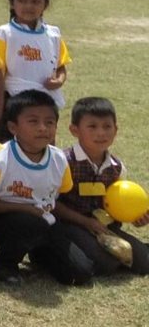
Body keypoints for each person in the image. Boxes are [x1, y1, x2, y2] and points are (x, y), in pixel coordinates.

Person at [0, 90, 92, 286]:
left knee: (79, 274)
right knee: (32, 224)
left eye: (49, 122)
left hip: (44, 220)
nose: (43, 128)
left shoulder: (59, 159)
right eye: (33, 121)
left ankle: (36, 253)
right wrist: (21, 208)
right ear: (13, 127)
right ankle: (4, 265)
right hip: (2, 222)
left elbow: (58, 198)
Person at [54, 97, 149, 275]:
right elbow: (52, 204)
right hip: (69, 224)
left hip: (104, 227)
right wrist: (86, 222)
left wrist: (137, 217)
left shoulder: (116, 167)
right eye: (92, 126)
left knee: (144, 263)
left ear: (116, 130)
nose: (101, 133)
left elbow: (119, 203)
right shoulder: (62, 161)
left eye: (107, 126)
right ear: (74, 130)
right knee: (106, 265)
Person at [0, 0, 70, 139]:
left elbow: (61, 66)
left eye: (36, 1)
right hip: (13, 102)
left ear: (46, 4)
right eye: (22, 0)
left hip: (45, 103)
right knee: (9, 152)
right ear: (12, 2)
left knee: (42, 150)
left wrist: (59, 80)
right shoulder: (4, 33)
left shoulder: (53, 34)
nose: (28, 6)